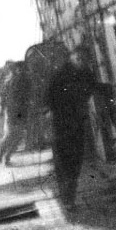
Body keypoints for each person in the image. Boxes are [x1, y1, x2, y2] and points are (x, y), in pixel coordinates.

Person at [46, 46, 98, 209]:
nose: (81, 62)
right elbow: (48, 98)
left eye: (84, 59)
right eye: (78, 58)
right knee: (63, 163)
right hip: (60, 124)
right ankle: (67, 199)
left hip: (77, 123)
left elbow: (93, 88)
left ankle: (70, 197)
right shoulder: (60, 75)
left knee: (76, 161)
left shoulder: (87, 74)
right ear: (71, 58)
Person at [0, 61, 31, 166]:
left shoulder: (9, 81)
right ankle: (5, 156)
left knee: (13, 134)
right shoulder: (21, 80)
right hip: (17, 111)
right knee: (15, 135)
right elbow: (4, 96)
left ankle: (3, 154)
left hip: (14, 111)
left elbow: (3, 97)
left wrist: (2, 109)